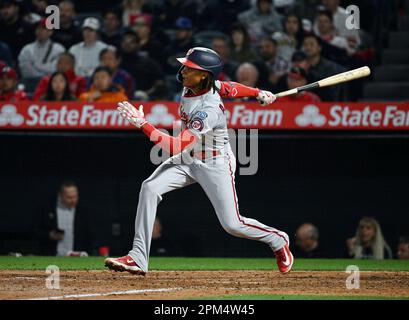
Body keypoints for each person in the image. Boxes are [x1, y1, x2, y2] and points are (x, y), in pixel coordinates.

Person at [105, 47, 293, 275]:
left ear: (204, 74)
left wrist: (143, 124)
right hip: (188, 158)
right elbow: (231, 87)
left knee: (232, 225)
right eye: (185, 66)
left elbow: (175, 146)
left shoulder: (209, 110)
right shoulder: (200, 84)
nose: (183, 71)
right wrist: (257, 92)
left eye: (190, 68)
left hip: (214, 163)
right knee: (150, 188)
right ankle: (138, 257)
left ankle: (277, 239)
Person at [36, 181, 93, 256]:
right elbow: (35, 231)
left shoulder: (83, 211)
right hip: (51, 256)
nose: (73, 200)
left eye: (75, 196)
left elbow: (89, 236)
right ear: (60, 195)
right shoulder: (47, 208)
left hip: (76, 257)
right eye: (69, 197)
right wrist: (49, 235)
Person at [120, 30, 167, 100]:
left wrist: (148, 93)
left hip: (144, 98)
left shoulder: (147, 62)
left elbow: (160, 81)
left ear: (138, 44)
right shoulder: (116, 62)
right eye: (125, 41)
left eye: (131, 42)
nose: (127, 44)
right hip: (119, 98)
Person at [301, 33, 345, 101]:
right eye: (305, 45)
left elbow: (336, 93)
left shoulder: (332, 68)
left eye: (311, 44)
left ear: (319, 48)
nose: (308, 48)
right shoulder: (300, 67)